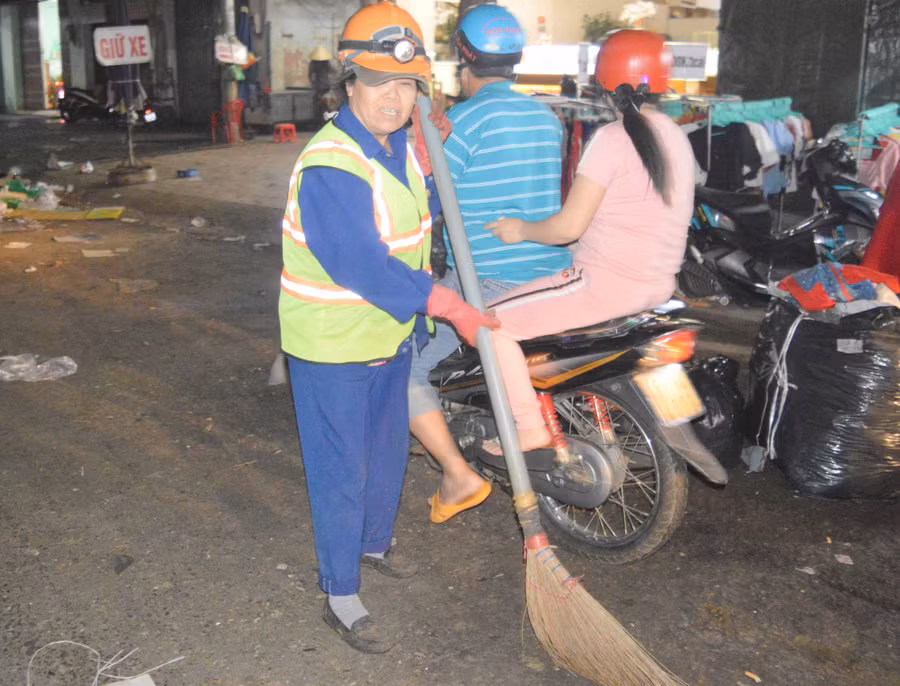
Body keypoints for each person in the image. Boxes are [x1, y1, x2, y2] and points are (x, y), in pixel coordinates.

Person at [279, 0, 494, 654]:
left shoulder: (398, 147)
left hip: (389, 336)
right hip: (332, 346)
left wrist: (426, 161)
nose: (394, 98)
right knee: (342, 470)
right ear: (350, 84)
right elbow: (363, 265)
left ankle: (371, 547)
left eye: (407, 84)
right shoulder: (330, 164)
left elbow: (412, 223)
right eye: (379, 83)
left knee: (386, 456)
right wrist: (448, 305)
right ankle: (340, 593)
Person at [483, 30, 696, 454]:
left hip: (605, 287)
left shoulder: (612, 138)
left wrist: (519, 229)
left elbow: (568, 227)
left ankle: (529, 426)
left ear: (603, 84)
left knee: (488, 325)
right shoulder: (676, 135)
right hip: (658, 288)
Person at [407, 3, 573, 523]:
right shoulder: (547, 119)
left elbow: (424, 193)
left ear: (464, 59)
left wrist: (422, 145)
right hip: (551, 274)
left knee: (404, 368)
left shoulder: (463, 121)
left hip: (488, 277)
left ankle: (457, 474)